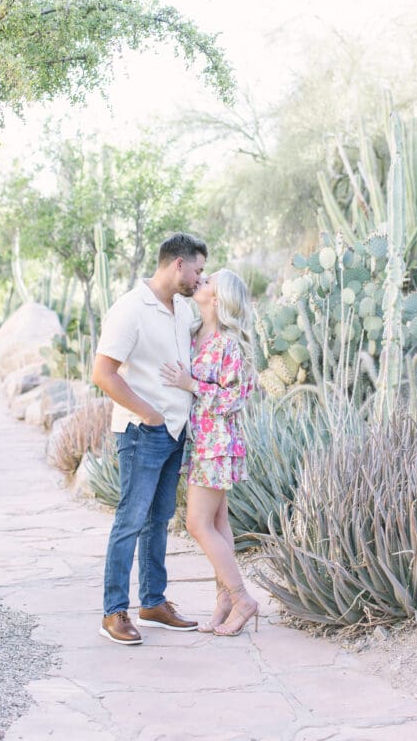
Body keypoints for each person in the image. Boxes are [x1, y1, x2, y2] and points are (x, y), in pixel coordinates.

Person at [92, 232, 208, 645]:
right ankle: (114, 613)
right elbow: (102, 373)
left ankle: (153, 603)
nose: (199, 278)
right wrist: (149, 413)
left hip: (175, 431)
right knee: (131, 519)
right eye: (197, 270)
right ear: (178, 264)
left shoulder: (179, 308)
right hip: (144, 432)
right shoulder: (130, 309)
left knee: (158, 521)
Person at [160, 268, 259, 637]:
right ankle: (224, 599)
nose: (200, 281)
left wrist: (192, 384)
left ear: (216, 299)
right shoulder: (193, 334)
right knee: (217, 524)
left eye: (208, 281)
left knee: (196, 524)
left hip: (217, 443)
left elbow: (237, 398)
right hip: (200, 440)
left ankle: (242, 597)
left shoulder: (228, 344)